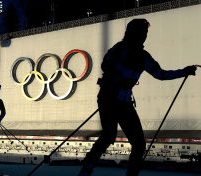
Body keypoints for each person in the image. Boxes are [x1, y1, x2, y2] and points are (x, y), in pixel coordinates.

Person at [78, 18, 197, 176]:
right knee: (108, 136)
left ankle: (128, 174)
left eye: (145, 32)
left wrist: (184, 71)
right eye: (142, 32)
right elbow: (106, 64)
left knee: (138, 144)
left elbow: (160, 74)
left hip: (123, 102)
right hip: (110, 98)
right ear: (133, 33)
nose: (144, 35)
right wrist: (119, 75)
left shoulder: (142, 56)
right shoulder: (122, 49)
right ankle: (87, 169)